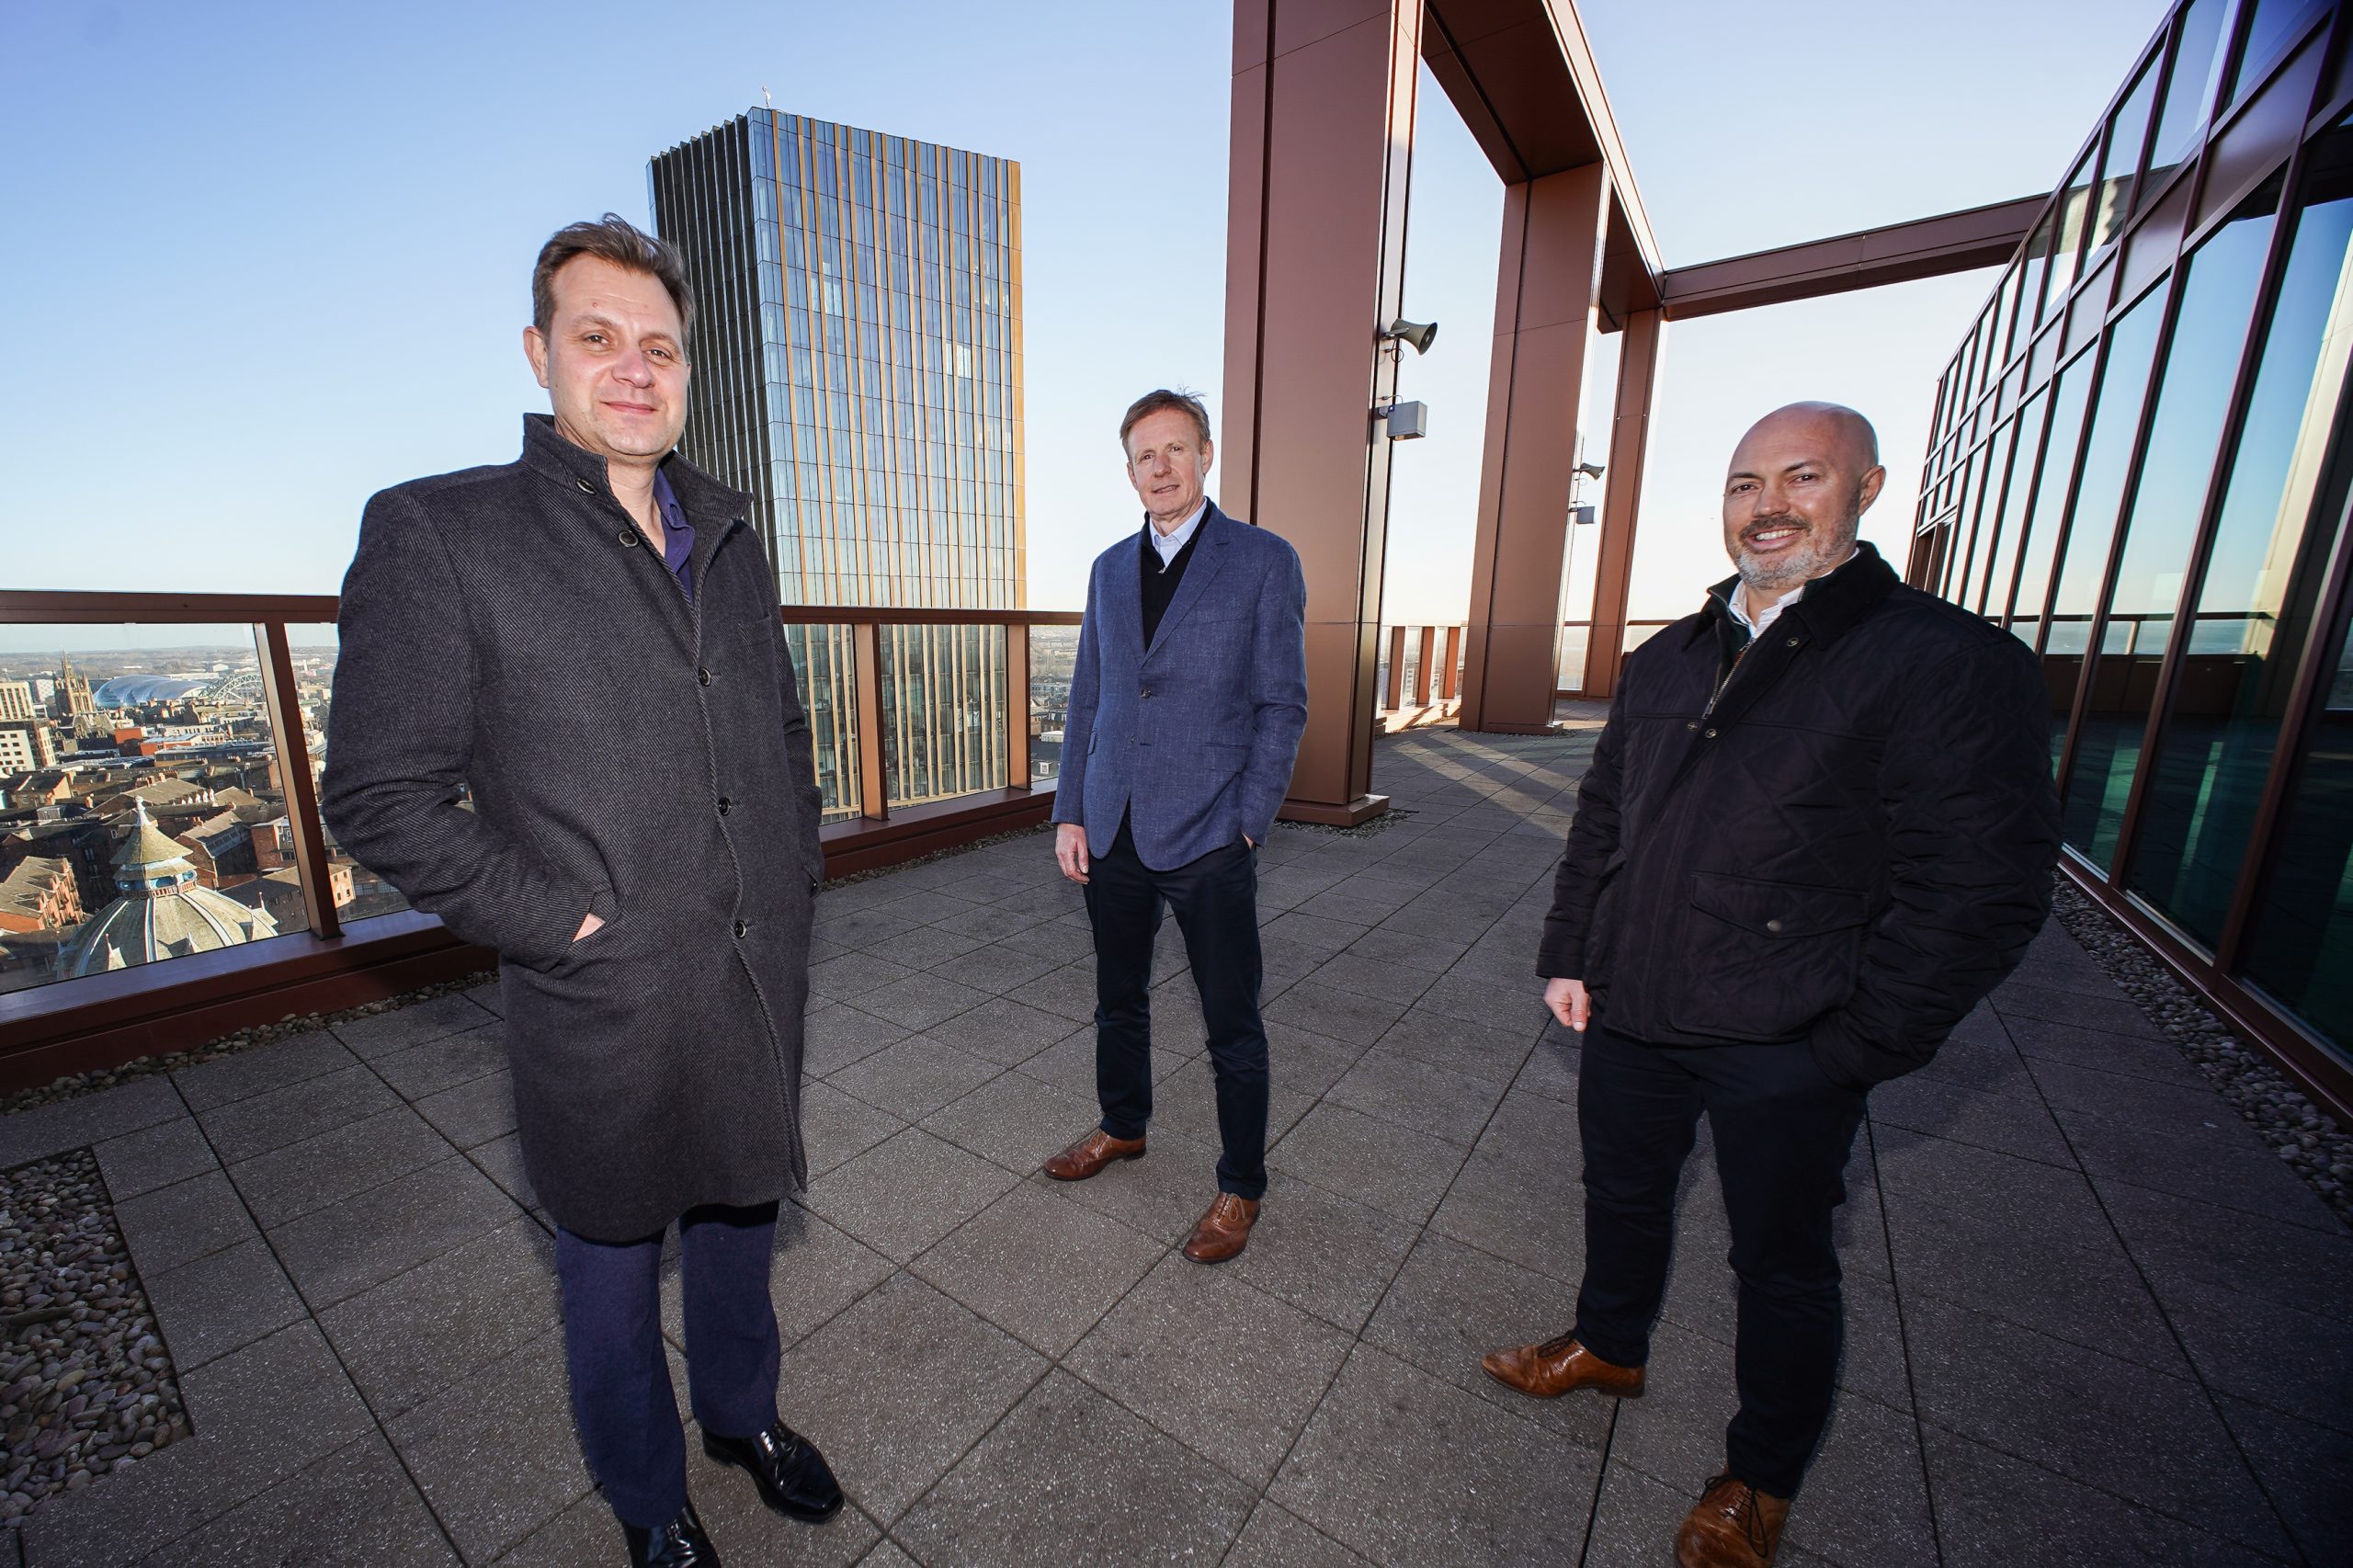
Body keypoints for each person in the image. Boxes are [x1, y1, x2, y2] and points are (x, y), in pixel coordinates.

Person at [322, 215, 841, 1568]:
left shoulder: (728, 526)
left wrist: (794, 869)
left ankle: (744, 1418)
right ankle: (647, 1498)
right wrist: (565, 928)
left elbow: (779, 729)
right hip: (600, 991)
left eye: (657, 346)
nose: (630, 369)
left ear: (687, 371)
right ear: (539, 352)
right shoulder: (441, 531)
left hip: (749, 970)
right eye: (597, 337)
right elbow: (379, 797)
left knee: (739, 1222)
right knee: (608, 1271)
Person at [1480, 403, 2059, 1568]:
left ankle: (1759, 1476)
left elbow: (1981, 884)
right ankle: (1609, 1341)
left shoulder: (1936, 659)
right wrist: (1569, 948)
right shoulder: (1672, 653)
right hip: (1635, 1001)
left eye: (1803, 476)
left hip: (1788, 1033)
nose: (1770, 504)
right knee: (1622, 1194)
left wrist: (1853, 1044)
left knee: (1781, 1261)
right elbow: (1605, 817)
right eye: (1747, 482)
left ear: (1867, 490)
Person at [1042, 389, 1308, 1263]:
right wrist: (1071, 809)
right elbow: (1091, 694)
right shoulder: (1109, 568)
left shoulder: (1263, 561)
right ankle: (1124, 1126)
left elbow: (1282, 703)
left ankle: (1241, 1187)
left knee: (1232, 1022)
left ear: (1206, 456)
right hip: (1112, 822)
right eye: (1144, 456)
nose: (1161, 467)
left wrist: (1247, 823)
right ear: (1129, 472)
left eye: (1176, 450)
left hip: (1207, 832)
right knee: (1117, 1001)